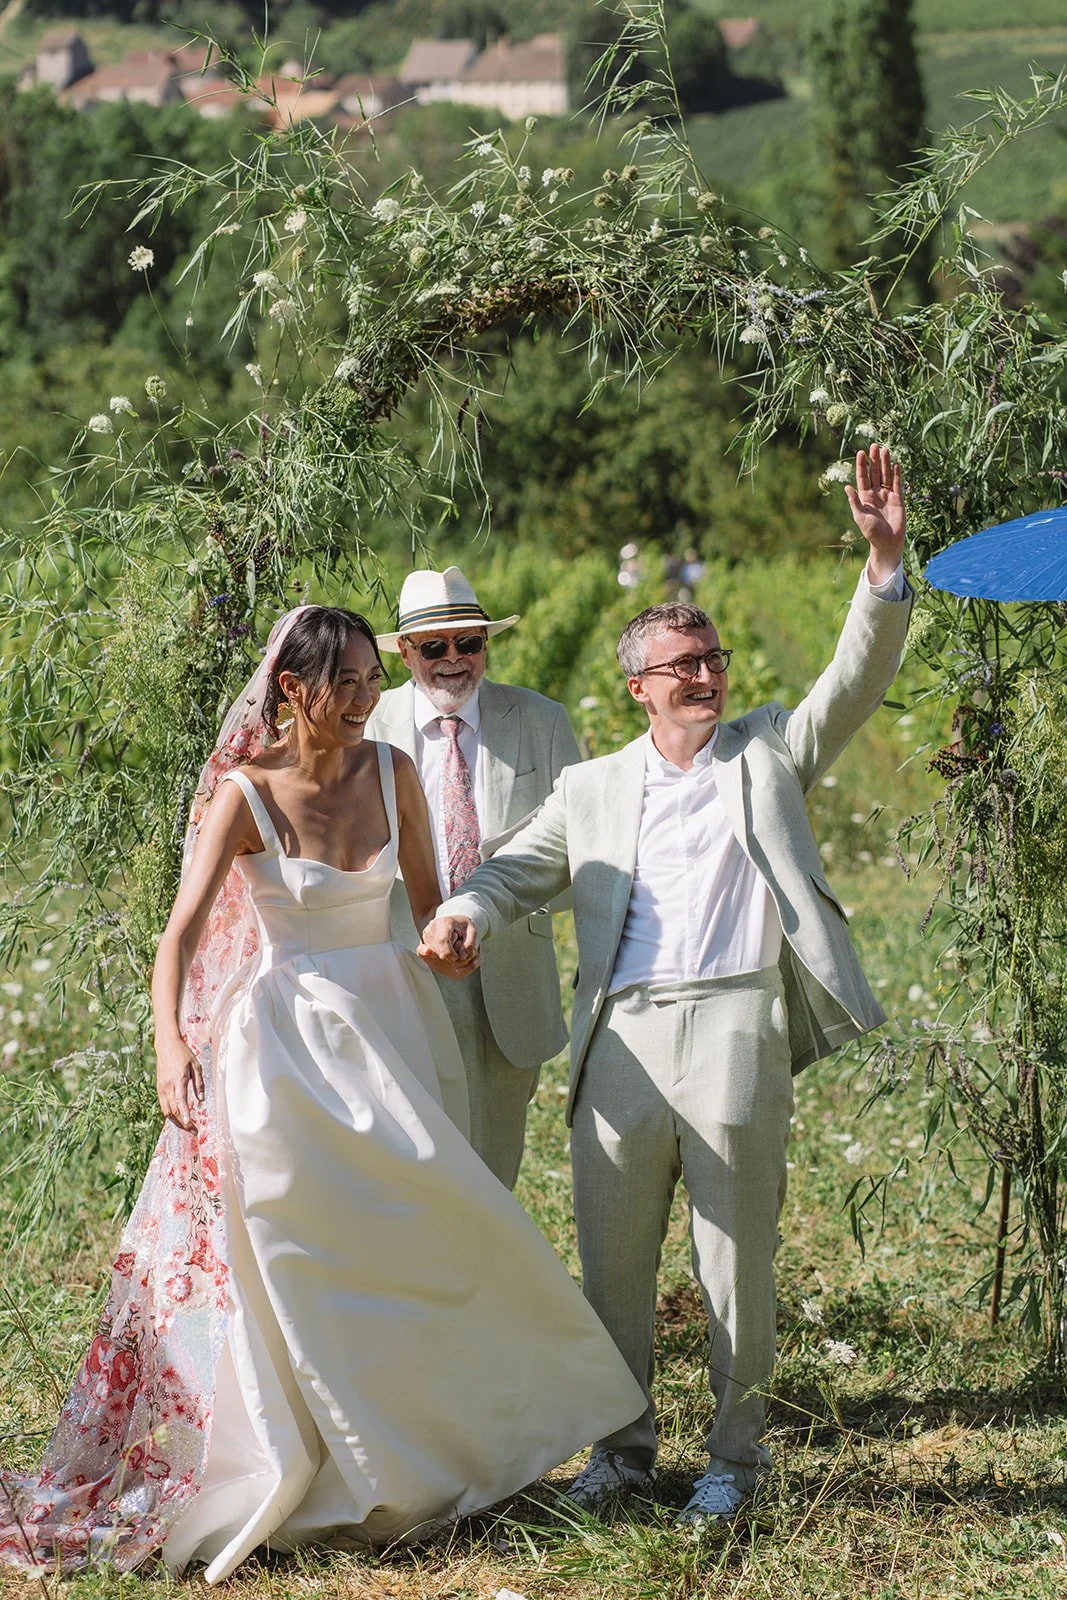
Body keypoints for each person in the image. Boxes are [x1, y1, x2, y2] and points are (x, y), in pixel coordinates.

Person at [0, 606, 642, 1582]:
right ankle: (323, 1467)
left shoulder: (394, 774)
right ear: (292, 688)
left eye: (371, 677)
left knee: (421, 1229)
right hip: (282, 1043)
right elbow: (177, 937)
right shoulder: (244, 794)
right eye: (345, 679)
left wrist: (453, 944)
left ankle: (445, 1450)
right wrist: (169, 1043)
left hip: (390, 1029)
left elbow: (429, 915)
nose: (365, 695)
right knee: (304, 1252)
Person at [420, 447, 913, 1526]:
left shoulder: (767, 752)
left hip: (736, 1015)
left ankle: (734, 1459)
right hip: (623, 1041)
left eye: (713, 658)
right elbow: (514, 868)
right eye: (681, 664)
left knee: (736, 1255)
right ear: (634, 687)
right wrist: (465, 907)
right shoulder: (591, 786)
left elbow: (852, 682)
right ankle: (622, 1452)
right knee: (612, 1261)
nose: (705, 675)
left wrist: (880, 563)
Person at [366, 566, 581, 1189]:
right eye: (434, 646)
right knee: (408, 1170)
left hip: (506, 971)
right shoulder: (367, 723)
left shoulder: (541, 720)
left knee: (494, 1173)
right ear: (406, 653)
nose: (453, 659)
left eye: (470, 642)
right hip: (399, 971)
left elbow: (578, 848)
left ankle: (487, 1287)